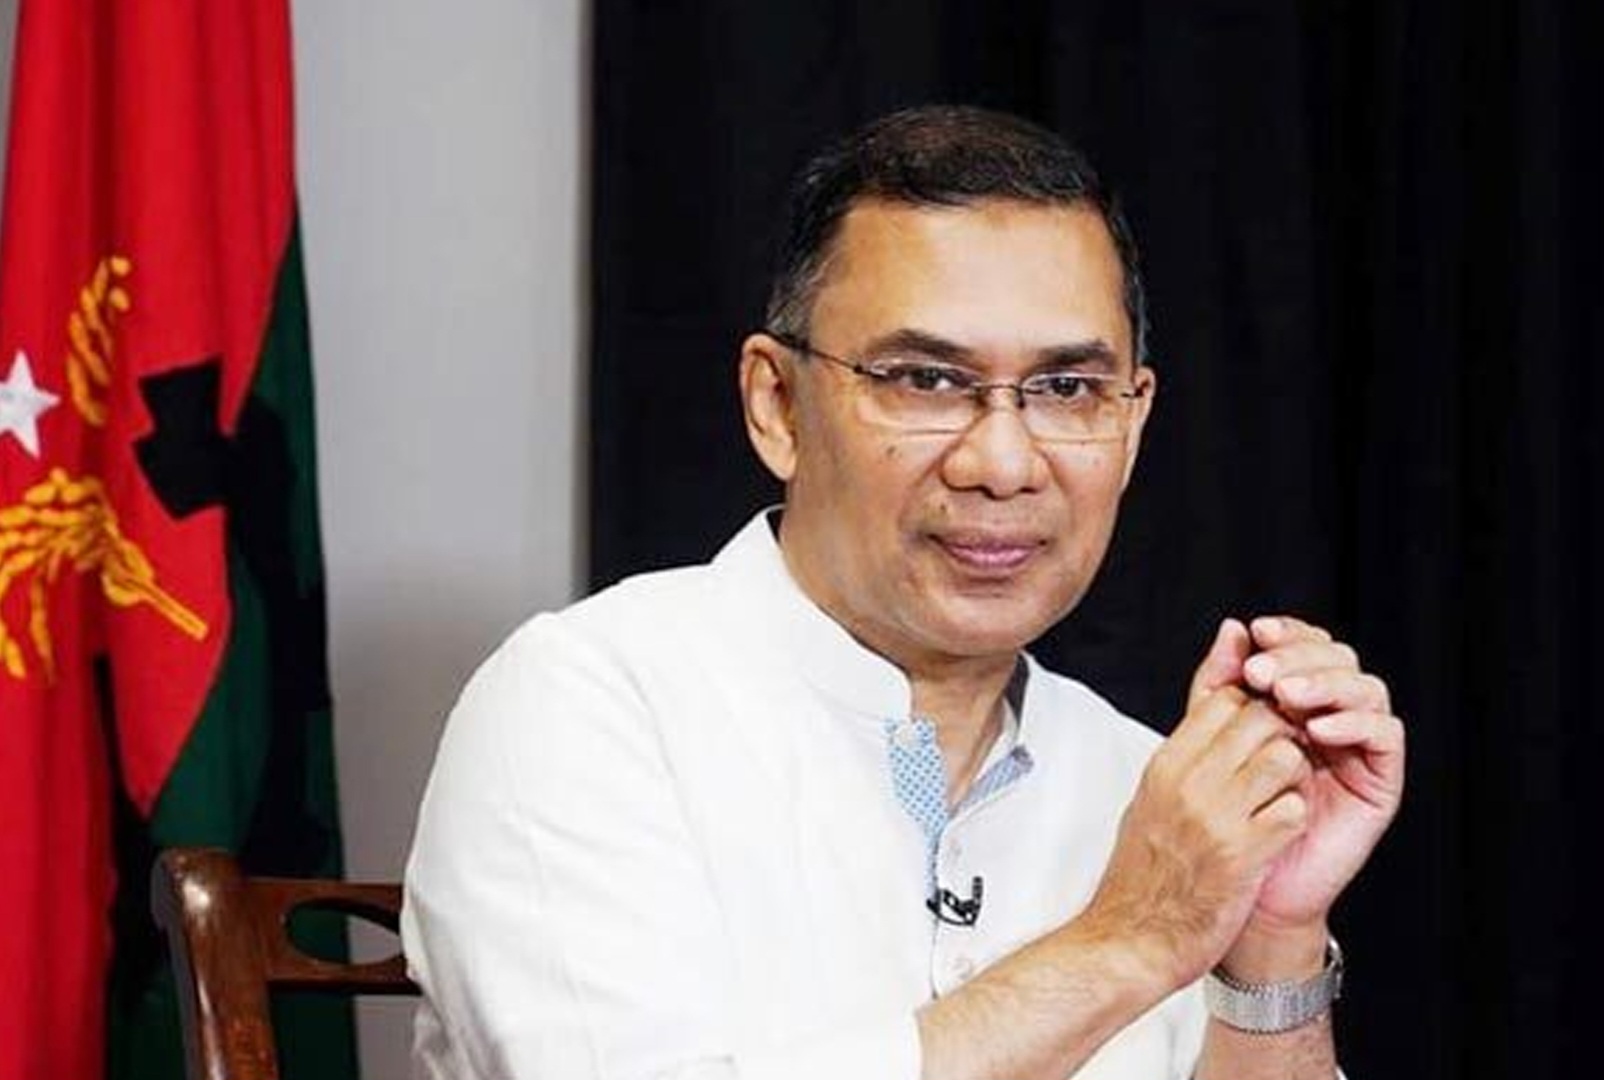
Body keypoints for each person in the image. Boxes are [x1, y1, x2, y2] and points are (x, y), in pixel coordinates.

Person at [402, 105, 1405, 1080]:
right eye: (926, 380)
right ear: (777, 405)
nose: (1002, 464)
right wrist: (1132, 937)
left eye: (1065, 390)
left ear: (1133, 424)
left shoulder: (1153, 787)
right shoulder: (587, 705)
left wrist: (1270, 942)